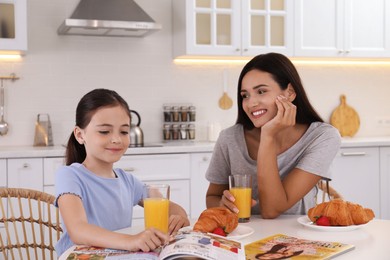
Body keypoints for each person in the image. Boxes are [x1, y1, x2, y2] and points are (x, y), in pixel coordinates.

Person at [55, 88, 190, 256]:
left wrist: (179, 216)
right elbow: (78, 230)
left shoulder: (128, 181)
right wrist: (131, 241)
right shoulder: (70, 176)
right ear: (80, 135)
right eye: (104, 131)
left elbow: (168, 206)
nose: (116, 139)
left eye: (124, 131)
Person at [205, 53, 341, 219]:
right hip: (243, 236)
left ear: (290, 92)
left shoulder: (322, 137)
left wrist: (268, 136)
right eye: (245, 95)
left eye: (261, 91)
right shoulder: (230, 138)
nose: (251, 103)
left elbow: (271, 210)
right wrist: (221, 205)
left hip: (297, 237)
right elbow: (212, 196)